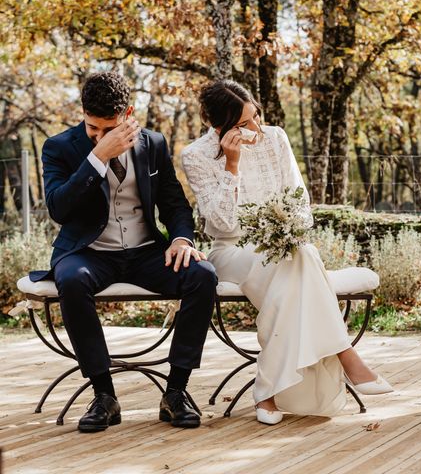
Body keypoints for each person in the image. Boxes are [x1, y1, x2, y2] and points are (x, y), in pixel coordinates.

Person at [181, 80, 392, 426]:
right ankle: (346, 354)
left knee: (302, 255)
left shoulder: (275, 138)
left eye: (256, 117)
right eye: (244, 124)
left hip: (282, 247)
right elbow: (221, 225)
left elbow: (299, 201)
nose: (255, 128)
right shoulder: (196, 155)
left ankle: (268, 392)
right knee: (299, 262)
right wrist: (231, 164)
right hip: (232, 251)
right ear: (219, 127)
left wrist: (286, 231)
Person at [30, 72, 217, 432]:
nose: (99, 135)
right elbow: (58, 208)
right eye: (91, 127)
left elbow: (176, 206)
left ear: (129, 113)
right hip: (90, 253)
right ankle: (104, 396)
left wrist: (181, 240)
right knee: (70, 280)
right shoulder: (60, 147)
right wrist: (97, 157)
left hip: (148, 252)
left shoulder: (155, 144)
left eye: (108, 128)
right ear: (82, 113)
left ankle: (176, 392)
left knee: (202, 275)